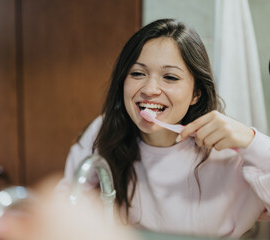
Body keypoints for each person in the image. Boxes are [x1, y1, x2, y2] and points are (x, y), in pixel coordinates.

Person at [57, 18, 270, 238]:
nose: (149, 89)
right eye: (138, 73)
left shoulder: (229, 150)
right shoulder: (105, 129)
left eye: (170, 77)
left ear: (196, 93)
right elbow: (68, 202)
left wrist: (252, 141)